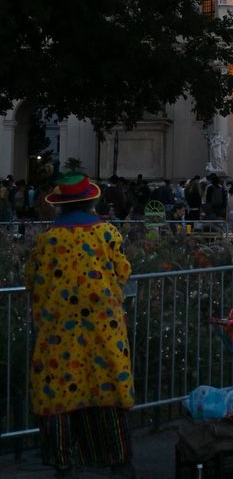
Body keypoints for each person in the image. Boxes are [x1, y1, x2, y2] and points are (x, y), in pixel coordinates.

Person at [24, 173, 135, 477]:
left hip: (57, 332)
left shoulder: (48, 240)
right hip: (104, 330)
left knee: (59, 391)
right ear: (92, 201)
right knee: (107, 385)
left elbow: (31, 279)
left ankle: (63, 463)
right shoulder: (107, 234)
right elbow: (123, 271)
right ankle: (118, 460)